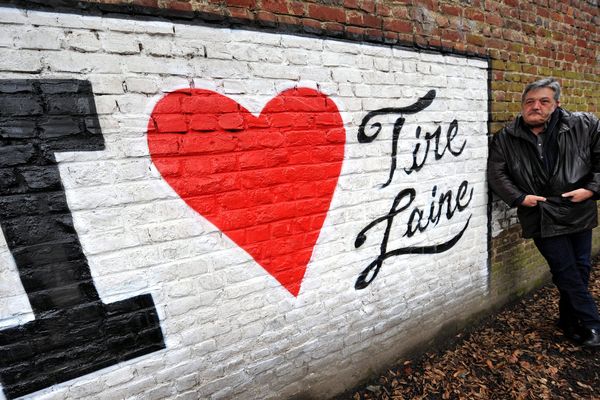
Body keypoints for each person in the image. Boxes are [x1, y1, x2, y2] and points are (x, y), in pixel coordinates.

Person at [488, 77, 600, 347]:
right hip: (541, 213)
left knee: (581, 269)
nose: (535, 106)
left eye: (543, 101)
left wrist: (592, 190)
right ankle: (594, 323)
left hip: (578, 209)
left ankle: (568, 320)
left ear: (557, 104)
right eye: (529, 102)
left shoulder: (585, 125)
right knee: (566, 270)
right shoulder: (507, 136)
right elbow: (496, 171)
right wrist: (519, 197)